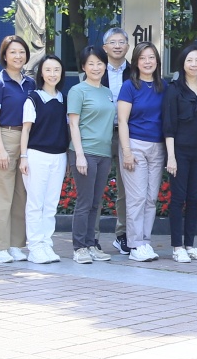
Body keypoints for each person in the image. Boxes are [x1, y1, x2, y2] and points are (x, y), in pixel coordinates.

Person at [0, 35, 36, 264]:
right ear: (4, 55)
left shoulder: (30, 83)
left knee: (20, 195)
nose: (18, 56)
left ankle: (15, 244)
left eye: (21, 52)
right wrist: (0, 149)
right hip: (4, 137)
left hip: (26, 140)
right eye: (13, 52)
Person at [66, 48, 119, 264]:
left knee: (96, 203)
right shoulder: (78, 91)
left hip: (104, 153)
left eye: (99, 63)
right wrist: (79, 155)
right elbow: (73, 124)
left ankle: (91, 244)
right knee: (84, 202)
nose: (96, 68)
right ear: (83, 67)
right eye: (91, 63)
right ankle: (79, 247)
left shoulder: (107, 92)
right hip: (85, 151)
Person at [117, 43, 168, 261]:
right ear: (136, 62)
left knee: (150, 198)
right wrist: (127, 152)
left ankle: (145, 241)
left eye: (151, 57)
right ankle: (135, 244)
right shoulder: (129, 86)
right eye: (143, 58)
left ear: (157, 61)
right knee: (136, 198)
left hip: (158, 147)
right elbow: (122, 121)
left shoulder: (163, 86)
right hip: (135, 145)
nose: (148, 62)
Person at [162, 46, 197, 261]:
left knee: (194, 198)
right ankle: (177, 247)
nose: (194, 64)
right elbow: (168, 125)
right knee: (178, 198)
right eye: (189, 60)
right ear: (182, 64)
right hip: (179, 151)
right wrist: (171, 157)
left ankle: (190, 245)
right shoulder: (174, 89)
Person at [20, 54, 70, 263]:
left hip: (59, 157)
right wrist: (23, 156)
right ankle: (35, 247)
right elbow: (25, 130)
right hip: (36, 156)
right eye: (48, 70)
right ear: (41, 73)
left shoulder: (63, 99)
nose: (52, 74)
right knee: (35, 204)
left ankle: (46, 244)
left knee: (51, 204)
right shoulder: (33, 98)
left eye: (56, 70)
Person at [102, 27, 131, 256]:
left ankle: (123, 235)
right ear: (105, 47)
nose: (117, 46)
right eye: (113, 42)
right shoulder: (95, 69)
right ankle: (90, 238)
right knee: (94, 188)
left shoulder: (135, 71)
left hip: (127, 135)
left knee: (126, 188)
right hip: (100, 134)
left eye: (121, 42)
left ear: (128, 47)